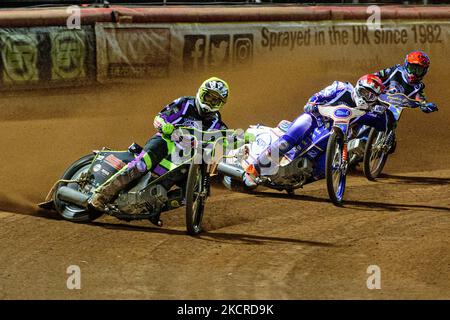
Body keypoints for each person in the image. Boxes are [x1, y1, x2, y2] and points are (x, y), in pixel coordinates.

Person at [88, 77, 230, 217]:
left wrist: (238, 140)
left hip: (185, 160)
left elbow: (226, 141)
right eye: (208, 97)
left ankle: (153, 207)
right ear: (200, 92)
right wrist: (164, 125)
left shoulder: (217, 123)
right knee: (141, 165)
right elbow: (160, 117)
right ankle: (101, 195)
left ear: (221, 104)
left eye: (215, 100)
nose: (210, 102)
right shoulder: (185, 103)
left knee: (193, 192)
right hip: (165, 142)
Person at [243, 74, 388, 187]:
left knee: (323, 169)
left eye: (370, 96)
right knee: (286, 143)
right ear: (357, 88)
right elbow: (319, 96)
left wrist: (383, 113)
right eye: (363, 92)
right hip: (314, 119)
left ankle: (295, 178)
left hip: (335, 136)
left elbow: (384, 125)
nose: (365, 97)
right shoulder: (341, 88)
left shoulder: (369, 111)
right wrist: (312, 103)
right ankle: (254, 169)